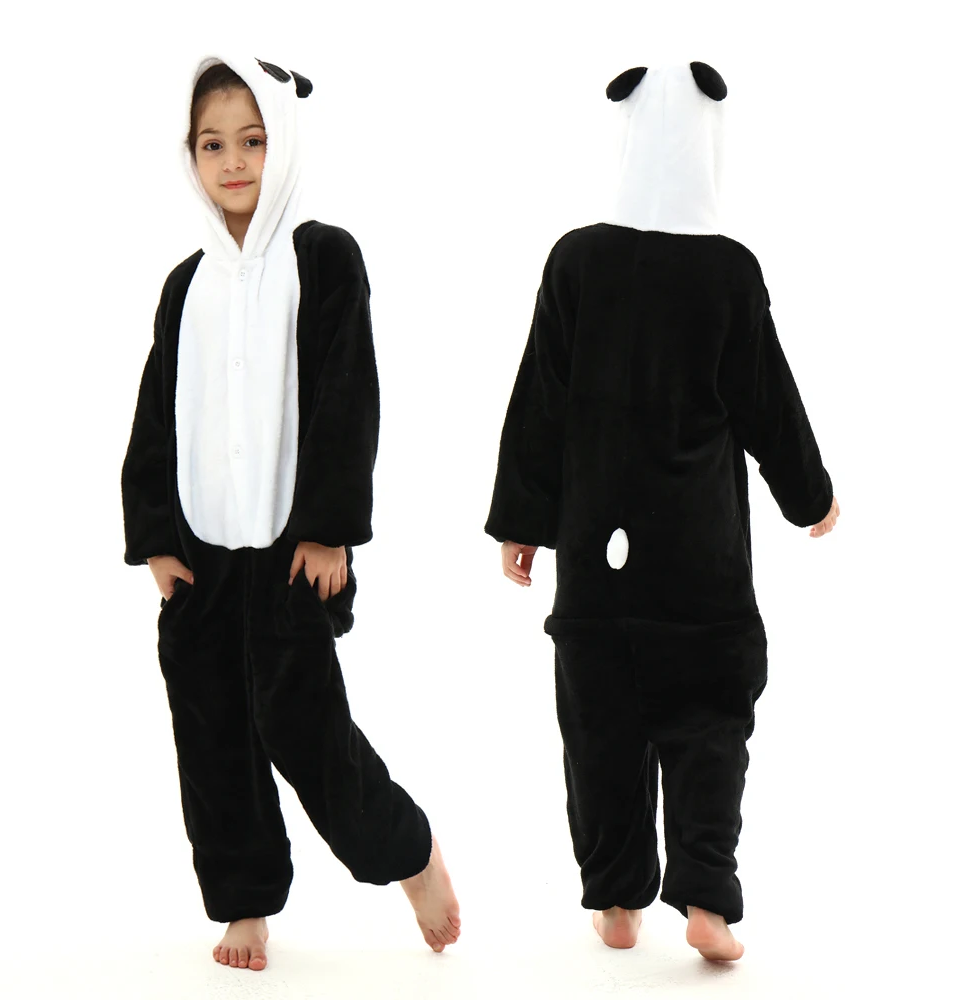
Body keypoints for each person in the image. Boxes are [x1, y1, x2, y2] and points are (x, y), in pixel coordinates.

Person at [484, 61, 840, 963]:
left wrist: (523, 519)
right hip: (701, 563)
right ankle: (708, 897)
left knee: (599, 726)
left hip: (594, 556)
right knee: (711, 721)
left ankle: (615, 899)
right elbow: (766, 402)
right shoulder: (728, 272)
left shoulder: (575, 261)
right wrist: (811, 494)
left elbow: (540, 401)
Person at [121, 52, 460, 971]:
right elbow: (157, 413)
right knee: (212, 737)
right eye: (213, 144)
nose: (233, 161)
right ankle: (244, 906)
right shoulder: (186, 285)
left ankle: (408, 852)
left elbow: (349, 396)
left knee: (306, 731)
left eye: (254, 140)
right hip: (201, 557)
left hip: (290, 547)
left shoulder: (323, 258)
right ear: (190, 155)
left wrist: (328, 527)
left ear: (286, 143)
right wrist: (155, 538)